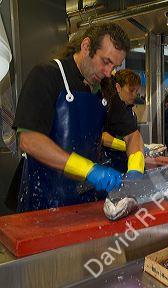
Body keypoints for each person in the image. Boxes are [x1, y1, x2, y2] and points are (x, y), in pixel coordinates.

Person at [11, 23, 145, 212]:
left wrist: (135, 170)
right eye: (105, 61)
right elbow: (29, 140)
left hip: (86, 203)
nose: (108, 72)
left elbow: (133, 135)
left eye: (114, 66)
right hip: (42, 202)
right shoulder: (47, 75)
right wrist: (88, 169)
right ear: (86, 46)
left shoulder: (107, 90)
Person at [101, 69, 142, 173]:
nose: (134, 95)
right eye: (131, 91)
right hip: (103, 161)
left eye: (136, 91)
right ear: (118, 87)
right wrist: (125, 146)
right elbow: (101, 136)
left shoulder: (127, 108)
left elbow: (132, 134)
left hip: (119, 160)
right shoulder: (109, 104)